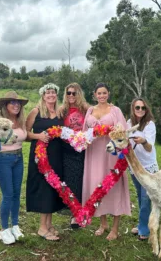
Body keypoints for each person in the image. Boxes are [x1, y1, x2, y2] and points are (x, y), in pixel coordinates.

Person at [82, 82, 131, 241]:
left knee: (113, 187)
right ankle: (103, 223)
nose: (101, 96)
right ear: (94, 94)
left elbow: (123, 133)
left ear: (108, 94)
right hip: (94, 153)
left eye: (104, 93)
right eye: (99, 93)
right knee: (97, 185)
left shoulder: (115, 111)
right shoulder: (90, 110)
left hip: (111, 153)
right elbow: (84, 132)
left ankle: (115, 228)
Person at [26, 83, 64, 241]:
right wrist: (38, 136)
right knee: (44, 189)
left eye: (53, 92)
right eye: (47, 93)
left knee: (53, 188)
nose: (51, 95)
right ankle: (42, 227)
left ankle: (48, 224)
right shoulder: (35, 111)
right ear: (43, 95)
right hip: (40, 156)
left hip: (56, 155)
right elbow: (25, 133)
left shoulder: (60, 112)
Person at [0, 91, 28, 245]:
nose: (16, 105)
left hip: (18, 158)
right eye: (12, 102)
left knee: (16, 194)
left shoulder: (21, 121)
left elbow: (26, 136)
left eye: (18, 103)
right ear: (5, 105)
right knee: (8, 195)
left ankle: (15, 225)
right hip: (3, 159)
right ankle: (3, 229)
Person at [59, 83, 90, 228]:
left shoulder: (86, 109)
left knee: (80, 180)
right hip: (66, 148)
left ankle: (79, 213)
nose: (71, 96)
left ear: (79, 94)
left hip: (82, 149)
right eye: (68, 93)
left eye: (74, 93)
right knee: (70, 181)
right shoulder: (62, 110)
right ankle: (74, 212)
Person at [127, 97, 159, 241]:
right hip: (134, 167)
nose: (140, 110)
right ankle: (143, 223)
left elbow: (149, 147)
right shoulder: (129, 123)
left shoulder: (149, 125)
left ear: (146, 110)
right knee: (140, 197)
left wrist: (144, 141)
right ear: (133, 109)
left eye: (143, 108)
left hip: (148, 167)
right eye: (137, 108)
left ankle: (144, 230)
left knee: (146, 199)